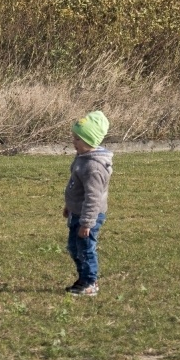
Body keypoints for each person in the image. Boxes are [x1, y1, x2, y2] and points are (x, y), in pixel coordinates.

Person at [63, 111, 113, 296]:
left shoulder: (94, 167)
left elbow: (93, 197)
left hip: (89, 217)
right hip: (78, 213)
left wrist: (87, 223)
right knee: (74, 247)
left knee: (85, 248)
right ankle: (83, 278)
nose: (73, 142)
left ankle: (90, 283)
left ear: (90, 141)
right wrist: (69, 205)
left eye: (77, 139)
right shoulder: (82, 158)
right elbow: (76, 187)